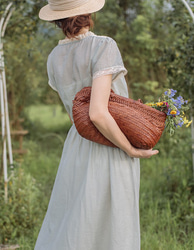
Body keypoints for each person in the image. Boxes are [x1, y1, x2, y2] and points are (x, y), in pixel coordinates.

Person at [35, 1, 159, 249]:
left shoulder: (54, 58)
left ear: (58, 18)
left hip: (77, 144)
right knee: (113, 225)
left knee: (78, 220)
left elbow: (76, 116)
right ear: (87, 12)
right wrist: (130, 149)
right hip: (110, 143)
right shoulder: (103, 46)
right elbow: (98, 114)